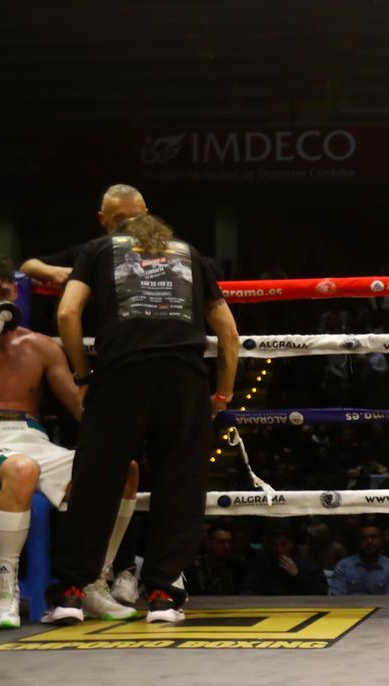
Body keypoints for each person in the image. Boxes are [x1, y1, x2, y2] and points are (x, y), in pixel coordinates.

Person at [0, 250, 140, 627]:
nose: (1, 303)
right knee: (22, 469)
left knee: (123, 469)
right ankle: (4, 590)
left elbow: (82, 410)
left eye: (5, 292)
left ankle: (94, 581)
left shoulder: (41, 346)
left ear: (16, 291)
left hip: (35, 440)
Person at [48, 214, 240, 624]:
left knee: (95, 480)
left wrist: (82, 375)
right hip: (183, 377)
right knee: (180, 482)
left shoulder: (98, 250)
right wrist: (222, 392)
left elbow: (67, 314)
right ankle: (162, 595)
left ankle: (70, 593)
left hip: (121, 374)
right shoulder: (192, 255)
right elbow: (227, 332)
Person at [18, 184, 148, 285]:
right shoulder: (89, 252)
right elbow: (27, 267)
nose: (129, 225)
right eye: (119, 219)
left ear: (146, 215)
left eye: (137, 218)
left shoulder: (162, 252)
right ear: (103, 219)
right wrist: (54, 272)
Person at [242, 524, 328, 595]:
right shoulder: (260, 566)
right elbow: (248, 590)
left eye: (283, 544)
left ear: (292, 544)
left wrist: (297, 575)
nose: (279, 549)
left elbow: (321, 592)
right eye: (274, 545)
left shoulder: (308, 566)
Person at [328, 523, 389, 595]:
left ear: (381, 541)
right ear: (358, 541)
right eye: (364, 538)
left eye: (373, 537)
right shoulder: (344, 566)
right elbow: (336, 599)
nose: (369, 541)